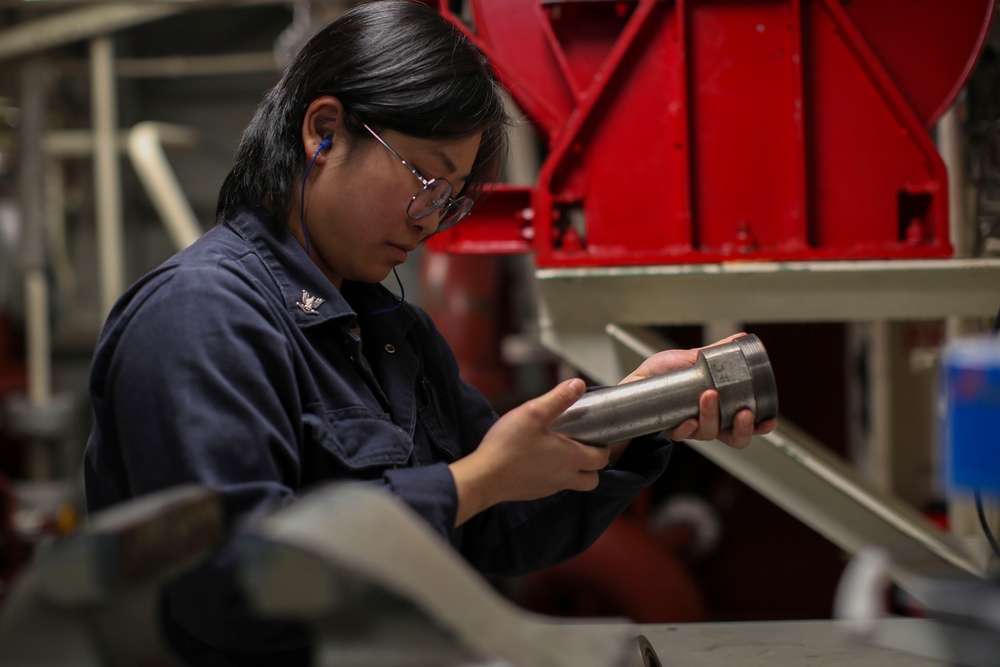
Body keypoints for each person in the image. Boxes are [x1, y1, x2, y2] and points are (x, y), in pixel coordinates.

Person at [82, 1, 775, 665]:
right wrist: (472, 480)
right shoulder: (200, 314)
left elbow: (497, 525)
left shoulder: (391, 332)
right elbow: (230, 584)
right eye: (426, 176)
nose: (429, 220)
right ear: (323, 131)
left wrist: (637, 414)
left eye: (450, 199)